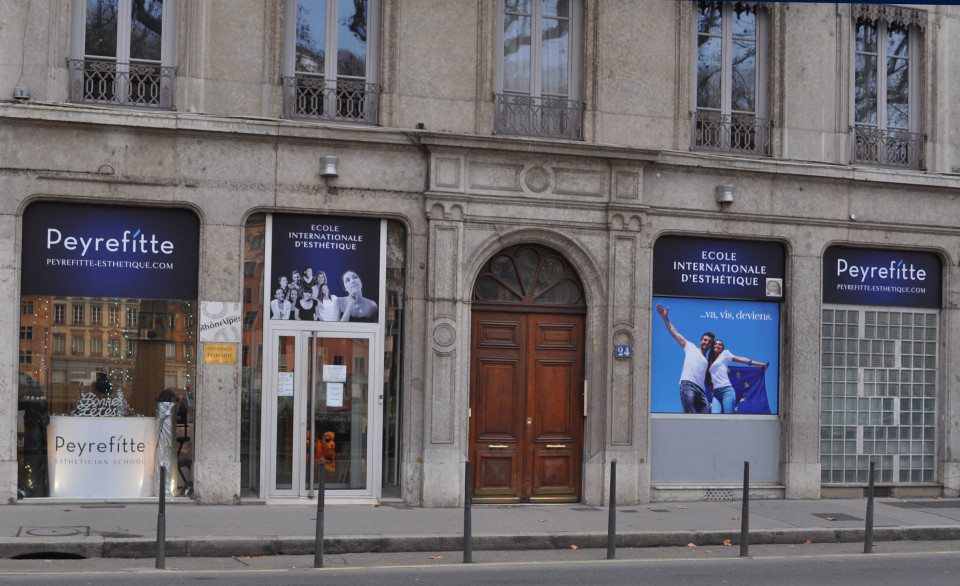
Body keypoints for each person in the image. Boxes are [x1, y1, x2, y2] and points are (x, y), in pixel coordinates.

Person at [656, 304, 713, 414]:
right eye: (705, 340)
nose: (707, 342)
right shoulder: (690, 347)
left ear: (710, 345)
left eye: (709, 341)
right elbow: (675, 333)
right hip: (688, 384)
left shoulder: (707, 362)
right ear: (701, 341)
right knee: (689, 413)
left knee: (706, 417)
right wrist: (665, 318)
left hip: (701, 390)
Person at [708, 339, 768, 414]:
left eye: (720, 344)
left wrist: (757, 364)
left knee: (728, 418)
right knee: (714, 418)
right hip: (716, 394)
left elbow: (740, 359)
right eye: (716, 344)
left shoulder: (725, 354)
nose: (717, 345)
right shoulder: (711, 362)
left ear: (722, 348)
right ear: (713, 346)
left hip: (727, 391)